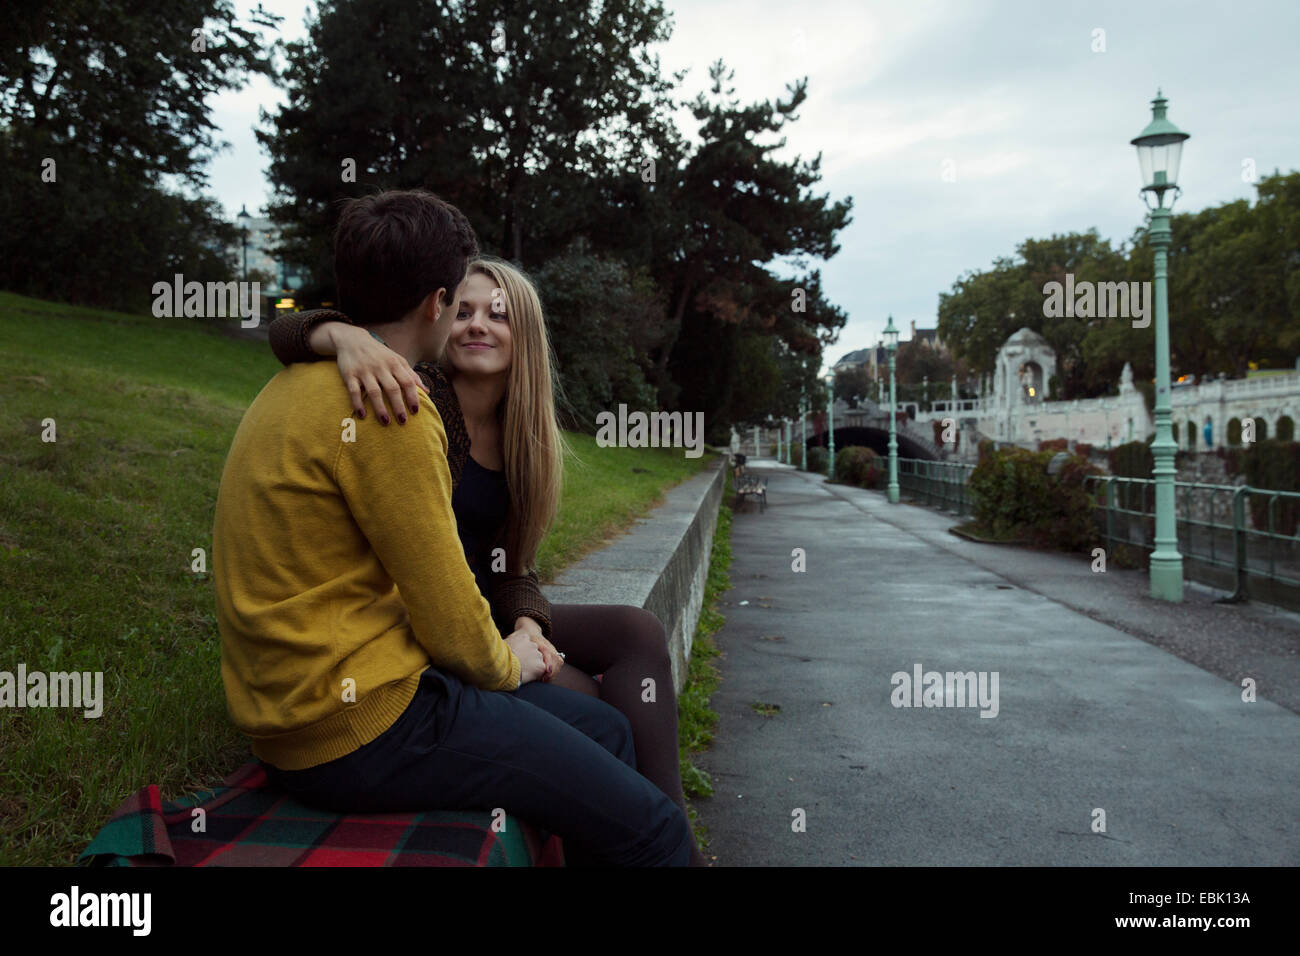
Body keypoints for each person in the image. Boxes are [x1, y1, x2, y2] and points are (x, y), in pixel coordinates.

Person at [213, 188, 691, 866]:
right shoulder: (399, 403)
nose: (474, 324)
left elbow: (498, 571)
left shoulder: (292, 388)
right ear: (437, 303)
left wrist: (522, 630)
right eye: (461, 305)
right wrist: (508, 661)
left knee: (608, 730)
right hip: (364, 725)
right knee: (655, 831)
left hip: (322, 710)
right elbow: (446, 614)